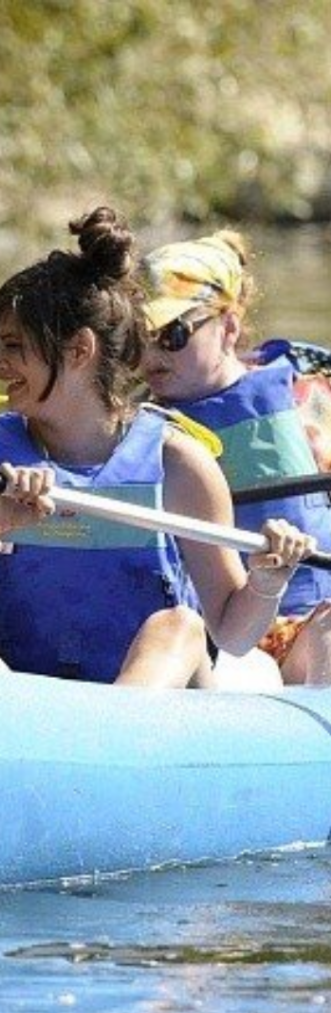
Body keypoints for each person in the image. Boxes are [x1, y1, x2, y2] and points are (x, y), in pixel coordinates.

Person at [0, 206, 315, 689]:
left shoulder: (180, 462)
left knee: (180, 627)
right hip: (24, 695)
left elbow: (232, 635)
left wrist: (267, 582)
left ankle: (99, 745)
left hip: (149, 703)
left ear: (79, 350)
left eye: (13, 346)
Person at [140, 230, 331, 684]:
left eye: (173, 334)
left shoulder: (307, 392)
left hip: (313, 618)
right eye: (136, 337)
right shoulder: (136, 427)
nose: (150, 354)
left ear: (228, 326)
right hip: (220, 631)